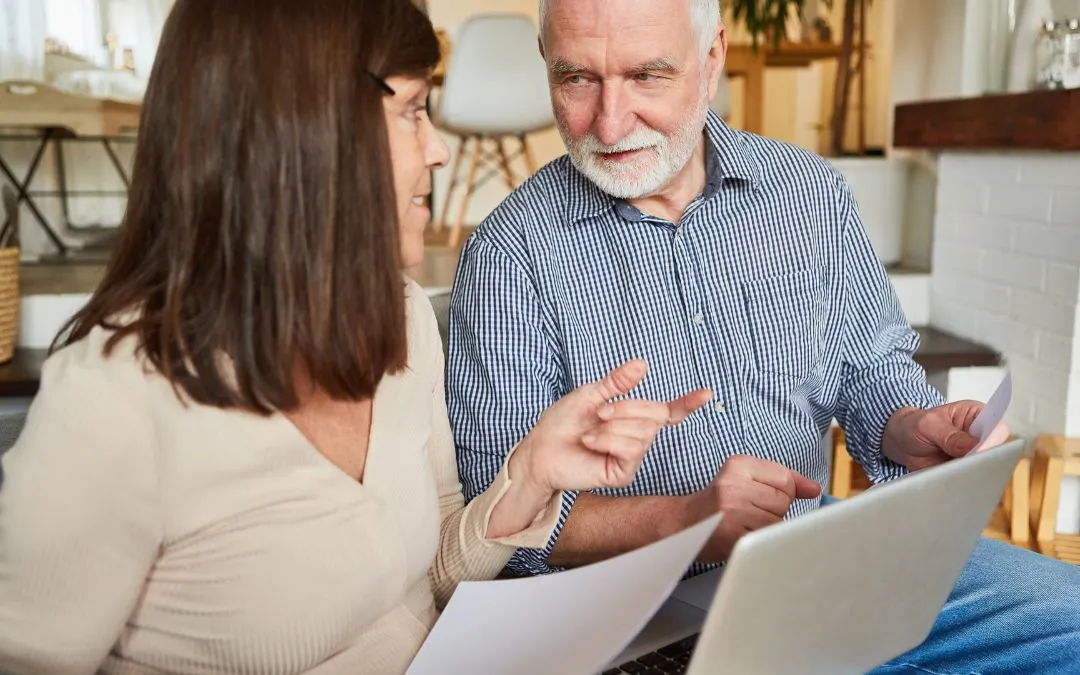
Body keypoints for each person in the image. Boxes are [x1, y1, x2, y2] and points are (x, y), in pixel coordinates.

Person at [0, 1, 712, 674]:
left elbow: (423, 574)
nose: (438, 150)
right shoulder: (115, 399)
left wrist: (530, 475)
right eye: (411, 111)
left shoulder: (397, 315)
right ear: (304, 128)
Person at [447, 0, 1080, 672]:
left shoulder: (807, 193)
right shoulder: (507, 254)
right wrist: (684, 521)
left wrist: (907, 424)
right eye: (577, 79)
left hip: (815, 553)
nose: (610, 121)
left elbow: (868, 368)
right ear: (547, 63)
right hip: (631, 605)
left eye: (648, 77)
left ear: (712, 58)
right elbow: (497, 512)